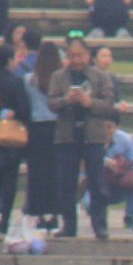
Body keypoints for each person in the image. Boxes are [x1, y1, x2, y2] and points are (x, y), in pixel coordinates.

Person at [48, 34, 119, 240]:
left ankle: (100, 225)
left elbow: (109, 105)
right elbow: (51, 103)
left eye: (80, 55)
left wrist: (90, 103)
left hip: (93, 137)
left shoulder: (101, 77)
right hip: (66, 137)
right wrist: (66, 100)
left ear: (88, 55)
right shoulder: (58, 77)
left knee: (97, 183)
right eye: (72, 56)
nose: (76, 60)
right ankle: (69, 225)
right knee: (66, 184)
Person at [0, 47, 32, 236]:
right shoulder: (15, 81)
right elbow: (24, 109)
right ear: (10, 60)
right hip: (11, 138)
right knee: (10, 180)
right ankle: (4, 220)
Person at [21, 37, 62, 230]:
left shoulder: (29, 80)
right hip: (57, 127)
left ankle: (37, 212)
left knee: (37, 172)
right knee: (55, 171)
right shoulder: (61, 80)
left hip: (36, 128)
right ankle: (54, 212)